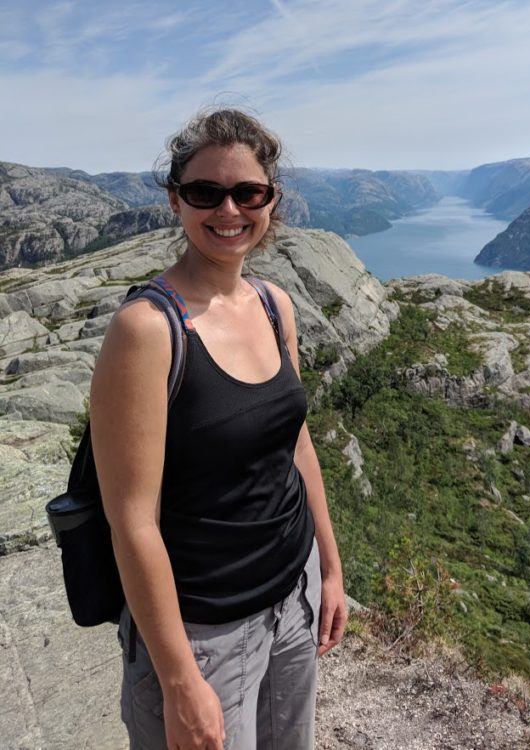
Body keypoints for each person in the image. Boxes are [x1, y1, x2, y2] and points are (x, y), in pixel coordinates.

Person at [89, 107, 348, 750]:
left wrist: (331, 572)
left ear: (271, 201)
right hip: (203, 630)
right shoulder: (148, 330)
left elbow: (298, 444)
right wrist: (179, 680)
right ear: (176, 200)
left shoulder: (272, 303)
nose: (228, 209)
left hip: (293, 593)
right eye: (206, 192)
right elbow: (132, 520)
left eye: (247, 192)